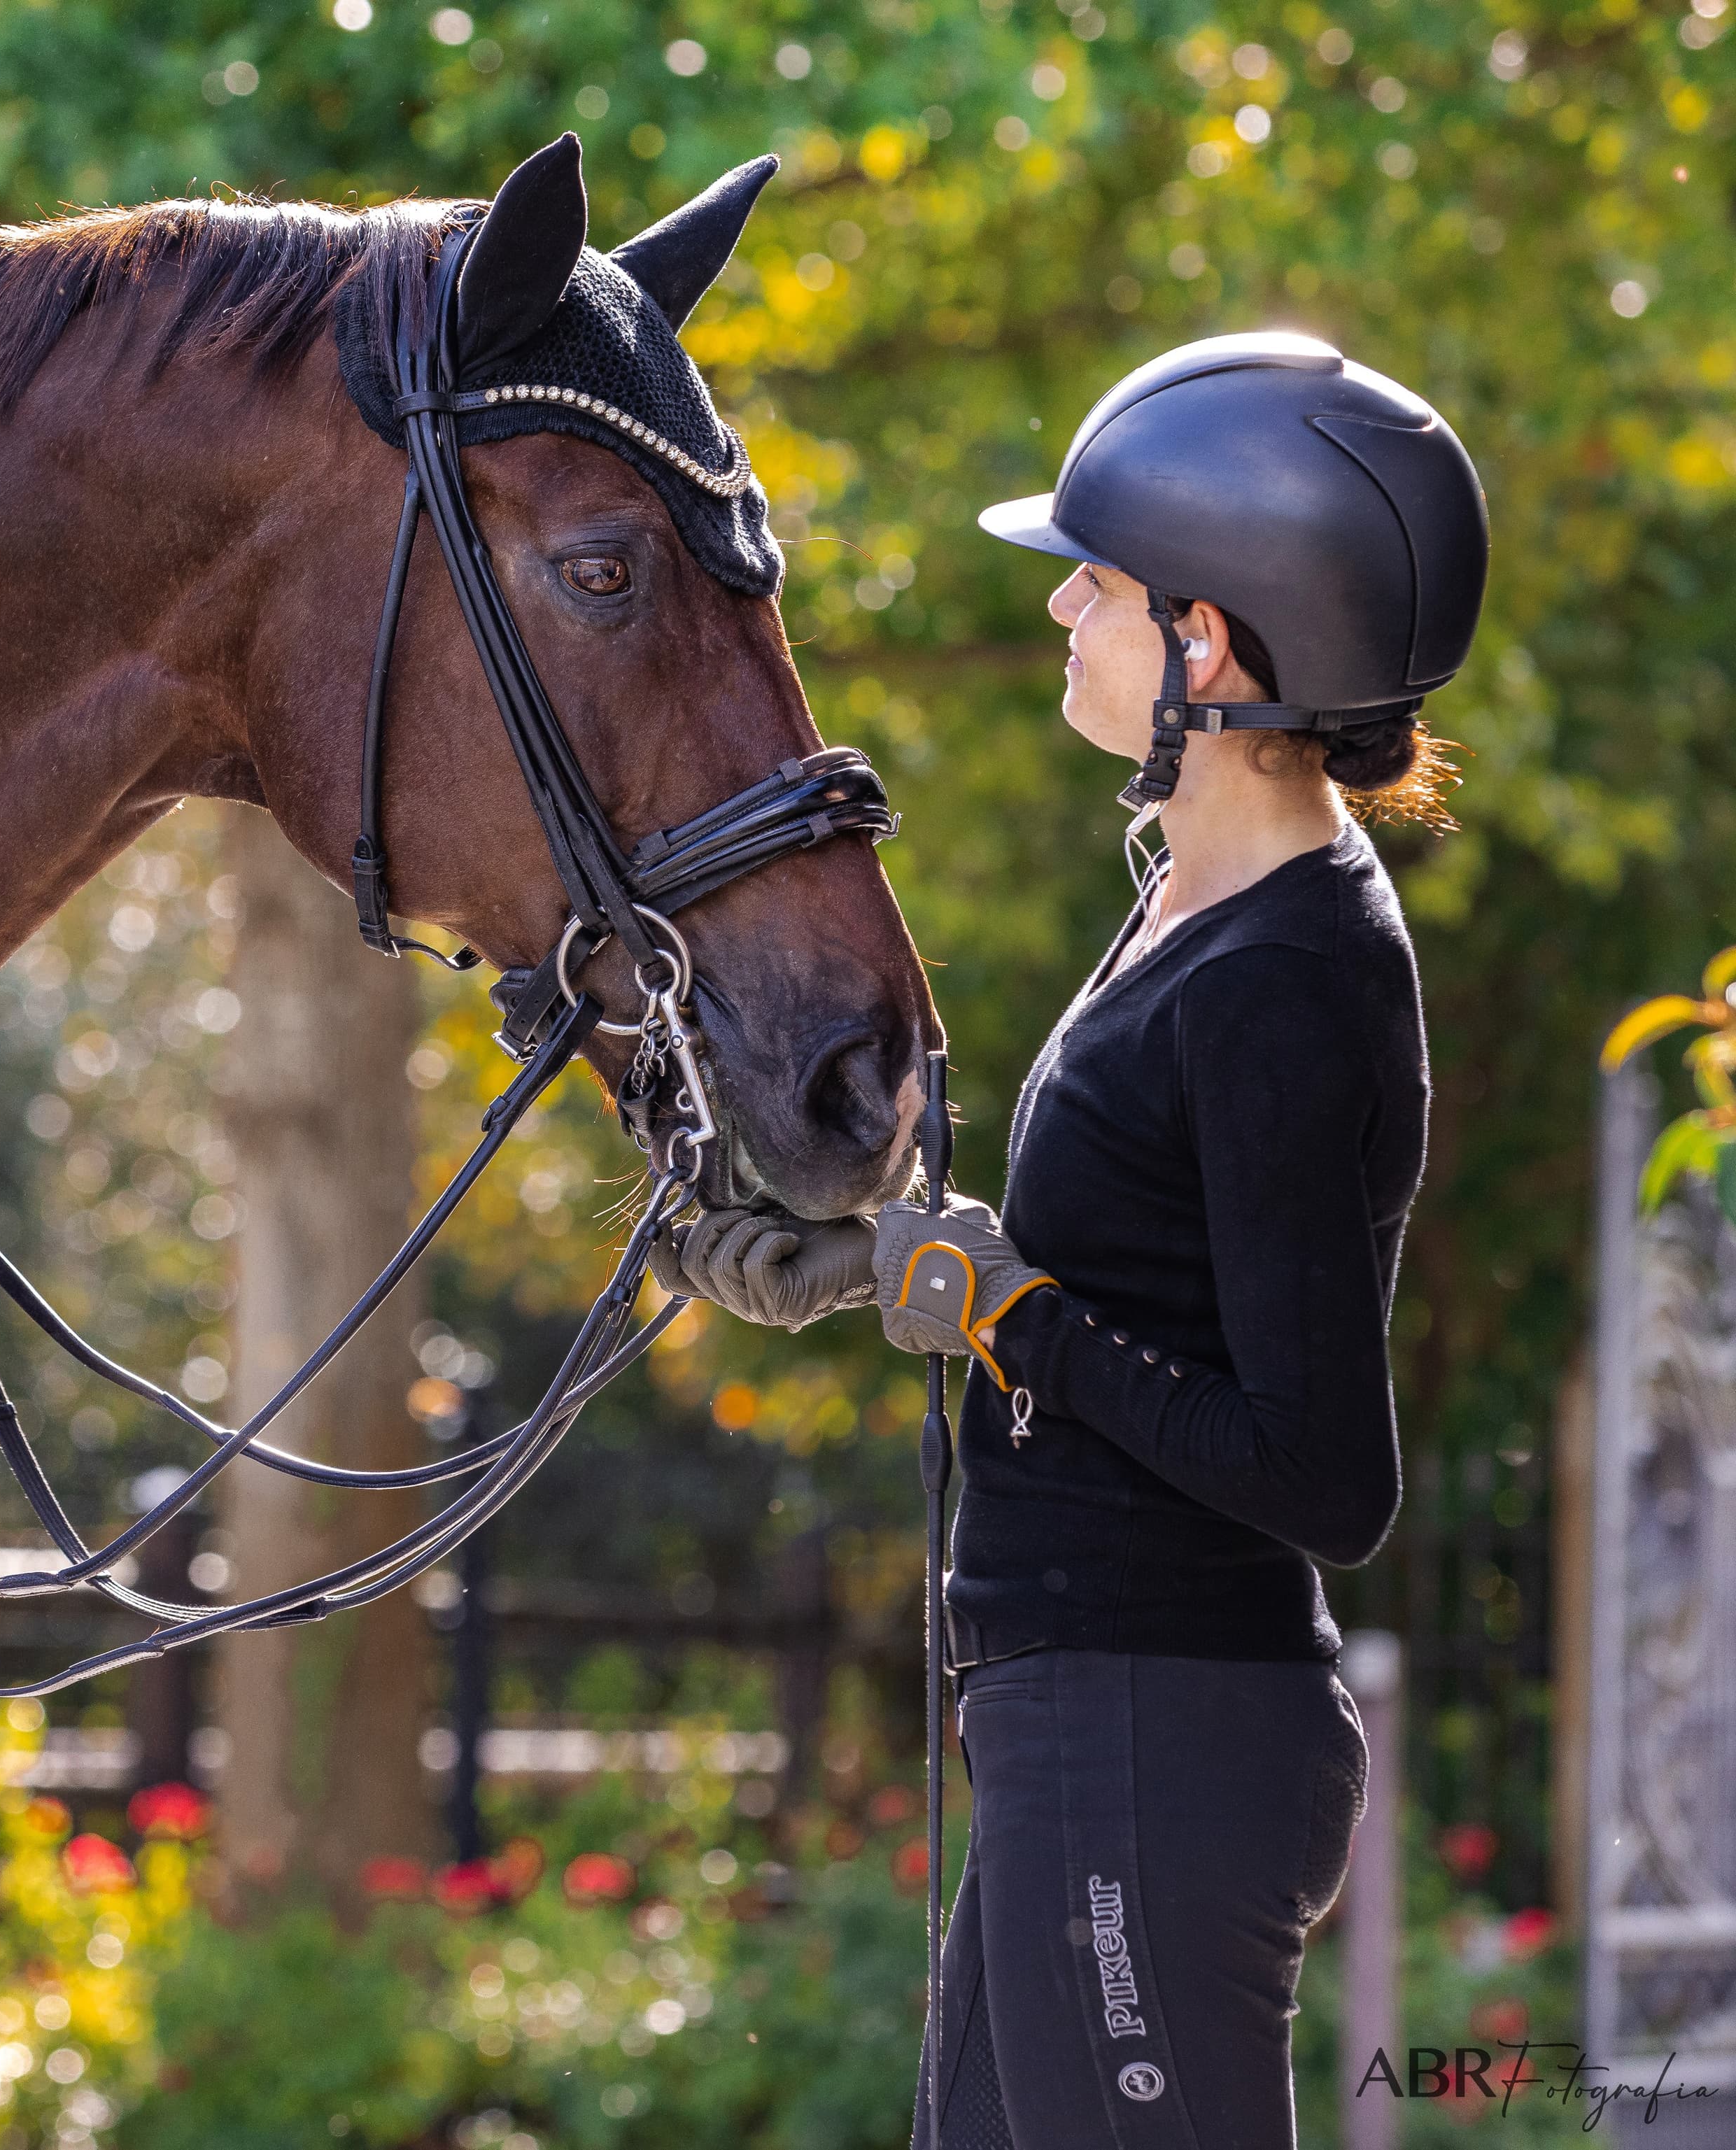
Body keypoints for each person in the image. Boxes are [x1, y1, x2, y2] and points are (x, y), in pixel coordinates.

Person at [654, 332, 1486, 2150]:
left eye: (1095, 583)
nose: (1061, 610)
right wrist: (872, 1252)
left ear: (1210, 643)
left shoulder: (1287, 977)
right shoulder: (1197, 902)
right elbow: (1143, 1270)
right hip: (1086, 1724)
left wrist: (1016, 1314)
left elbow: (1325, 1476)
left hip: (1156, 1732)